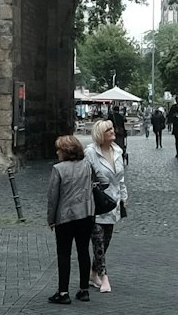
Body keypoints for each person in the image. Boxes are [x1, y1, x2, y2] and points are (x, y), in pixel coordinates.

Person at [45, 133, 97, 303]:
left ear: (65, 151)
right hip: (86, 213)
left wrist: (51, 219)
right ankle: (83, 290)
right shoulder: (87, 166)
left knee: (64, 254)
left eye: (59, 149)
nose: (57, 153)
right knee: (83, 251)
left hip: (65, 217)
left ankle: (63, 292)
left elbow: (53, 197)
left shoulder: (58, 169)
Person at [85, 117, 127, 293]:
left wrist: (124, 197)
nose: (113, 132)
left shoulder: (117, 150)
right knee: (98, 242)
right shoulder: (90, 153)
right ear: (100, 134)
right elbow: (85, 177)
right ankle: (104, 277)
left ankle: (93, 273)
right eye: (109, 130)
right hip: (96, 202)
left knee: (106, 240)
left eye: (112, 129)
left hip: (112, 202)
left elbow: (121, 178)